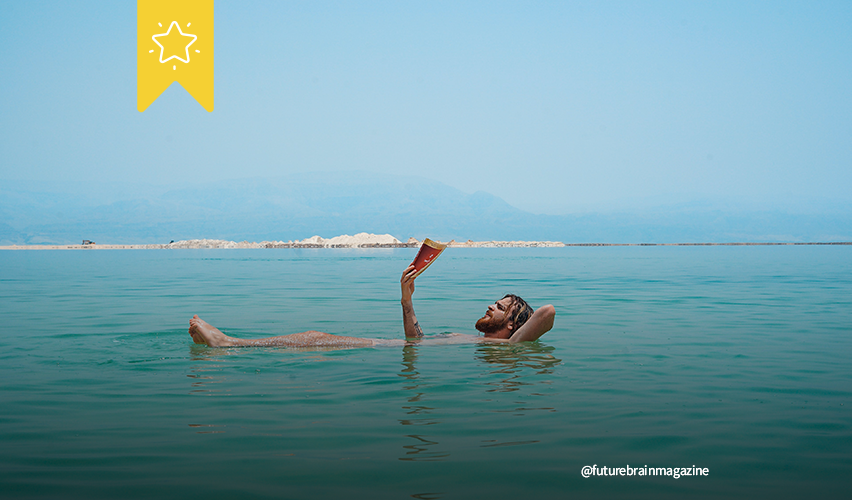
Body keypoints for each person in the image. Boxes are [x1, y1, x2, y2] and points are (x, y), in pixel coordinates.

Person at [188, 264, 555, 348]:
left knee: (315, 339)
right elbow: (417, 342)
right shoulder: (489, 347)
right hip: (397, 348)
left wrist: (517, 334)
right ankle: (230, 344)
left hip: (382, 351)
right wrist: (406, 299)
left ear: (513, 323)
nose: (490, 306)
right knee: (315, 338)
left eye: (500, 307)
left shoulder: (508, 348)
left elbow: (547, 312)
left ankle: (229, 345)